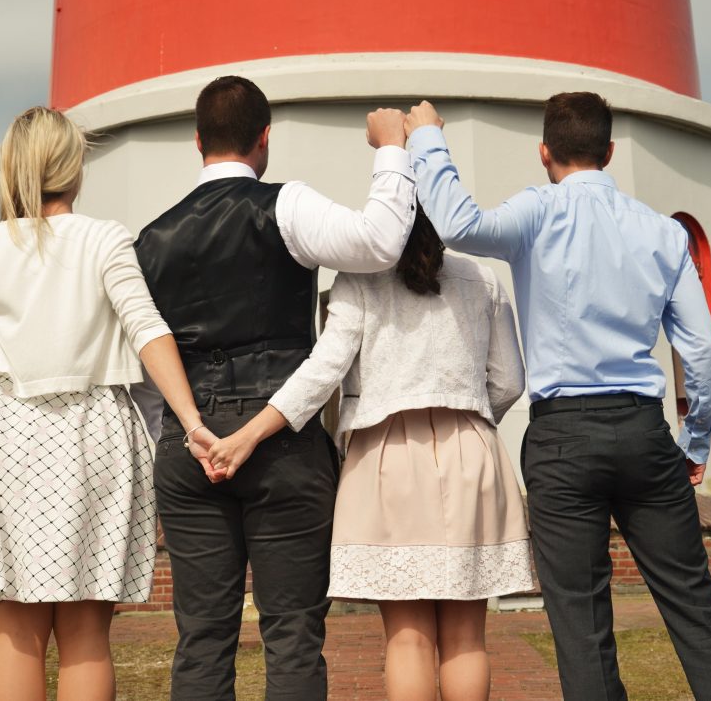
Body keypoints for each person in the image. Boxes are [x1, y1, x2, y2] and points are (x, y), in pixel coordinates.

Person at [404, 93, 711, 700]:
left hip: (562, 436)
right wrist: (695, 441)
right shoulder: (664, 233)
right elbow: (701, 353)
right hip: (644, 432)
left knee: (582, 624)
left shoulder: (536, 212)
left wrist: (428, 138)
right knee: (696, 609)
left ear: (544, 152)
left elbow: (459, 224)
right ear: (610, 151)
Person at [132, 76, 416, 700]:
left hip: (190, 445)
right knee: (293, 634)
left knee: (201, 636)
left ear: (198, 140)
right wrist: (393, 151)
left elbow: (146, 362)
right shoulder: (286, 205)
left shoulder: (149, 239)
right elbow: (380, 240)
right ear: (265, 138)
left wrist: (181, 434)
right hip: (283, 439)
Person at [206, 205, 535, 701]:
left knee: (407, 638)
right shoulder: (483, 280)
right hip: (471, 448)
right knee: (468, 636)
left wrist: (249, 434)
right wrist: (466, 416)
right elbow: (508, 381)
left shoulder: (359, 279)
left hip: (388, 453)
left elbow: (323, 372)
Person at [0, 106, 210, 701]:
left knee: (15, 633)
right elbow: (148, 330)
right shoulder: (104, 238)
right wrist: (191, 421)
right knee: (87, 632)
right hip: (96, 431)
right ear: (74, 169)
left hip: (9, 431)